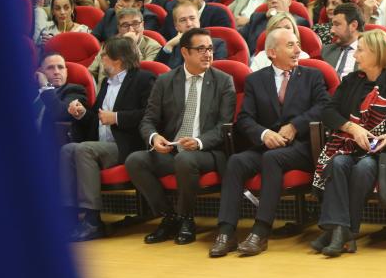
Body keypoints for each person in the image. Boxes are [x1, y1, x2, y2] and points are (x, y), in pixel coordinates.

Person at [210, 28, 330, 257]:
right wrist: (265, 134)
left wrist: (296, 126)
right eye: (291, 45)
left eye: (298, 44)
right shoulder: (256, 80)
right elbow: (244, 118)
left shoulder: (312, 76)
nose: (298, 51)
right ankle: (226, 232)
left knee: (272, 159)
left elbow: (325, 107)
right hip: (268, 144)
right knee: (236, 161)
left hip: (303, 148)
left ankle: (261, 231)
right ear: (272, 52)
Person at [311, 29, 386, 256]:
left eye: (361, 51)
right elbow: (329, 112)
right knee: (337, 164)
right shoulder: (352, 81)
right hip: (351, 144)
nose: (355, 56)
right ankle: (344, 231)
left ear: (377, 53)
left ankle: (338, 232)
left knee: (364, 168)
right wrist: (351, 128)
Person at [125, 28, 237, 245]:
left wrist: (198, 142)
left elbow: (224, 127)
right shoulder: (165, 80)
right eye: (201, 49)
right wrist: (154, 137)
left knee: (185, 159)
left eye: (210, 49)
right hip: (173, 148)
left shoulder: (224, 81)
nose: (208, 54)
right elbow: (148, 120)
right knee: (135, 160)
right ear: (185, 52)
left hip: (207, 152)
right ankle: (169, 216)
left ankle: (187, 218)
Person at [62, 37, 156, 241]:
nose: (101, 58)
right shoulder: (106, 82)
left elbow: (150, 115)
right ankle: (69, 216)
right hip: (103, 144)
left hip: (127, 146)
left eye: (104, 55)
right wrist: (80, 113)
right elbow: (96, 117)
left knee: (82, 149)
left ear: (118, 59)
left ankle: (93, 220)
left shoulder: (143, 79)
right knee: (68, 149)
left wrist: (117, 117)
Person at [88, 7, 162, 85]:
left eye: (135, 24)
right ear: (119, 28)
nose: (131, 29)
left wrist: (131, 45)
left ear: (142, 25)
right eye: (125, 25)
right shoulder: (108, 45)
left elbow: (143, 75)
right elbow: (91, 72)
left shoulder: (153, 47)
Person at [241, 0, 311, 54]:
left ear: (289, 1)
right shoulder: (256, 18)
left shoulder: (299, 22)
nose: (274, 0)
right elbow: (238, 39)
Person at [156, 1, 227, 68]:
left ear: (198, 20)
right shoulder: (172, 48)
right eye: (183, 20)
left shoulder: (217, 44)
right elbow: (159, 73)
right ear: (176, 26)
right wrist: (169, 45)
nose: (189, 24)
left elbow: (214, 75)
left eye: (192, 18)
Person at [33, 51, 87, 138]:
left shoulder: (75, 90)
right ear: (40, 72)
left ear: (66, 72)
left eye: (61, 67)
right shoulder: (30, 91)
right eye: (50, 68)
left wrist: (46, 86)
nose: (56, 72)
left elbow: (60, 114)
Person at [159, 0, 232, 39]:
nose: (185, 5)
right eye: (181, 2)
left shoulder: (218, 14)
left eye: (189, 0)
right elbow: (163, 41)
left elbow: (222, 43)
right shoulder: (172, 15)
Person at [321, 2, 365, 78]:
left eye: (337, 25)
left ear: (353, 26)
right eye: (332, 25)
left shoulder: (370, 54)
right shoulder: (326, 51)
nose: (332, 30)